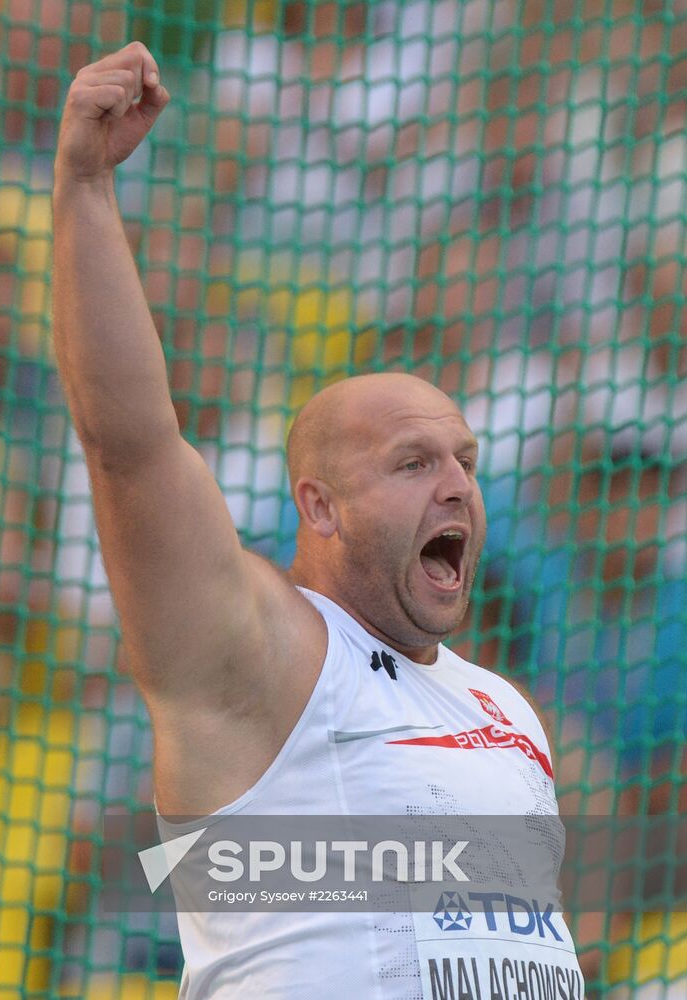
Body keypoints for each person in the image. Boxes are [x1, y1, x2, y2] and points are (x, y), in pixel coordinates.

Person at [53, 41, 586, 999]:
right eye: (413, 463)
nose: (457, 485)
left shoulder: (508, 713)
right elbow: (129, 448)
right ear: (318, 506)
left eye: (464, 460)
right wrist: (85, 188)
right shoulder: (264, 659)